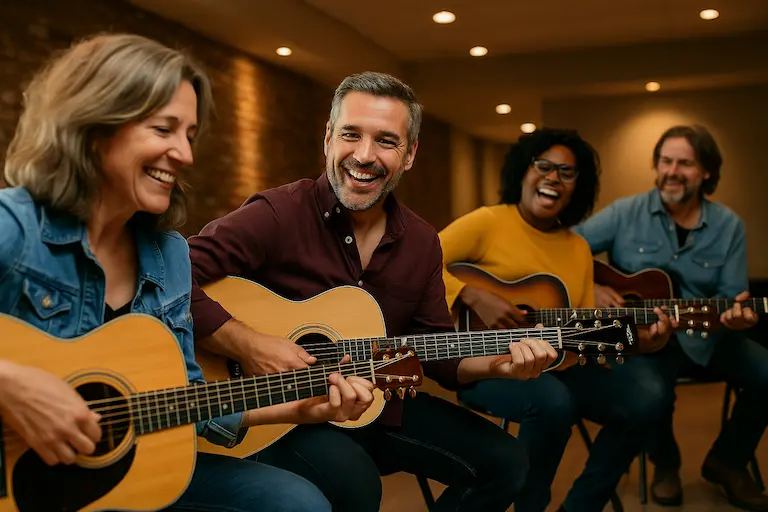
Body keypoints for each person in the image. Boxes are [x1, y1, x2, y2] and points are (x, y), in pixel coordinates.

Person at [0, 33, 377, 512]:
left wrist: (300, 407)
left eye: (190, 136)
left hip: (135, 468)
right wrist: (9, 383)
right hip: (30, 487)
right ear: (94, 126)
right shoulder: (15, 227)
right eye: (164, 130)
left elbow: (188, 403)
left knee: (297, 502)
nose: (185, 154)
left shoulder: (169, 254)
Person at [187, 71, 559, 512]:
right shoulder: (277, 214)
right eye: (351, 134)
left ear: (409, 154)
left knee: (507, 462)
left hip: (377, 402)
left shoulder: (421, 241)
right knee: (356, 483)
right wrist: (248, 344)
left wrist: (500, 364)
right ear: (328, 138)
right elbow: (171, 280)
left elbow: (435, 350)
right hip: (281, 411)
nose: (364, 155)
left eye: (386, 141)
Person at [438, 127, 674, 512]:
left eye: (566, 172)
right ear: (523, 171)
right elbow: (418, 263)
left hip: (557, 365)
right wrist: (473, 295)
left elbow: (586, 336)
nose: (553, 178)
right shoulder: (487, 221)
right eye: (543, 166)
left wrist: (644, 342)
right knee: (553, 402)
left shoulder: (578, 248)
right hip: (486, 363)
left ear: (577, 187)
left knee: (648, 398)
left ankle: (580, 506)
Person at [574, 124, 768, 511]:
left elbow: (731, 297)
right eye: (665, 161)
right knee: (651, 394)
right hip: (645, 337)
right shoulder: (625, 213)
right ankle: (665, 464)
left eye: (685, 163)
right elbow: (565, 248)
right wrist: (591, 287)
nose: (672, 171)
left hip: (707, 334)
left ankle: (727, 462)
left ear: (707, 172)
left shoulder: (728, 225)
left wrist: (734, 318)